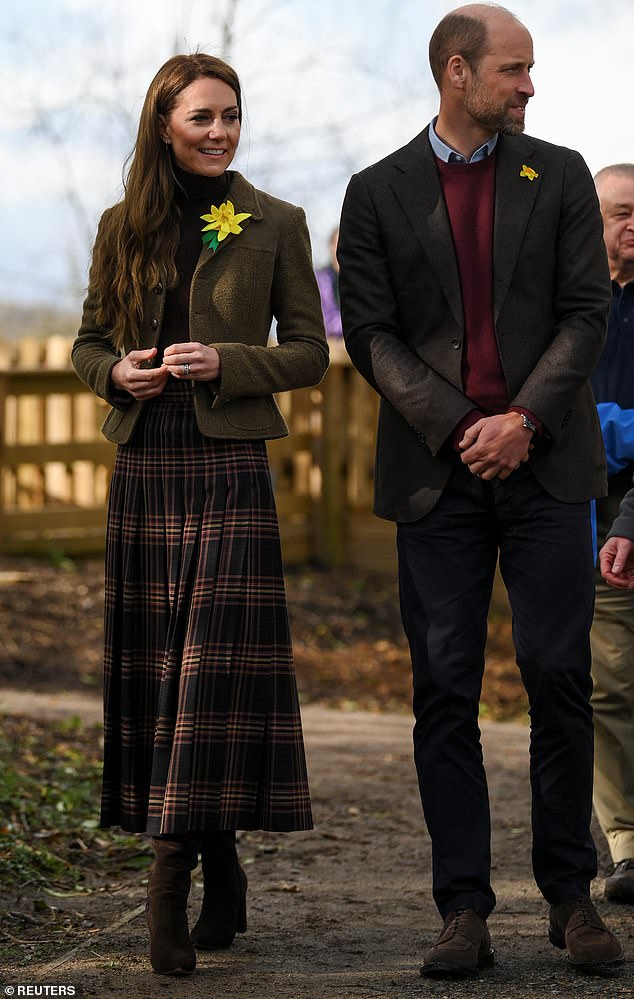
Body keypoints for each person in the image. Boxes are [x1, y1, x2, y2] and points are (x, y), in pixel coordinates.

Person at [337, 2, 624, 978]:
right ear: (456, 74)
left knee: (557, 680)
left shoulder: (562, 178)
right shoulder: (375, 192)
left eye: (530, 69)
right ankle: (461, 908)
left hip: (547, 468)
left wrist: (520, 422)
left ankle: (569, 897)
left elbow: (585, 313)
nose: (529, 85)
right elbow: (370, 335)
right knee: (443, 691)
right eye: (513, 69)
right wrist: (463, 427)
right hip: (436, 478)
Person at [72, 53, 328, 977]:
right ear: (164, 125)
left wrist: (230, 361)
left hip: (228, 470)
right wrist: (116, 372)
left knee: (211, 671)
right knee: (164, 672)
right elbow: (88, 339)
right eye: (202, 118)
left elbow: (307, 352)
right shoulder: (120, 227)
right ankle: (218, 849)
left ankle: (168, 873)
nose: (221, 132)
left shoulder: (276, 224)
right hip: (146, 467)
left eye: (232, 116)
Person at [591, 163, 634, 904]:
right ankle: (627, 844)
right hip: (587, 520)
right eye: (623, 213)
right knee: (610, 686)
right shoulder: (572, 304)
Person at [315, 227, 343, 338]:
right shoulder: (321, 280)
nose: (341, 250)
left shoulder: (361, 280)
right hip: (331, 343)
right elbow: (325, 321)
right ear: (331, 247)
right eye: (337, 244)